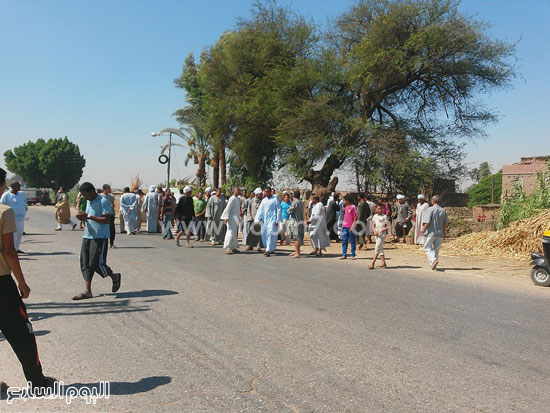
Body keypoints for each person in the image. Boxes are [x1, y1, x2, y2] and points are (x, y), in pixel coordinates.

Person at [0, 168, 57, 394]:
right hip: (2, 283)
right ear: (2, 185)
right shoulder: (4, 212)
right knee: (21, 332)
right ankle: (37, 381)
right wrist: (22, 283)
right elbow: (9, 252)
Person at [72, 182, 121, 300]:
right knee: (85, 263)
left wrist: (89, 217)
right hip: (87, 235)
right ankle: (87, 291)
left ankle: (114, 276)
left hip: (100, 237)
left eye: (85, 195)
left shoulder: (103, 201)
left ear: (91, 192)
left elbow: (107, 220)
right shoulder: (89, 201)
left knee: (95, 263)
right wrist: (82, 217)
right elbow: (88, 216)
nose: (84, 197)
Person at [420, 195, 448, 270]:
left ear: (432, 201)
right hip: (440, 233)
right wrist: (444, 232)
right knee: (436, 249)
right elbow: (445, 223)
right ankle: (433, 264)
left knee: (427, 247)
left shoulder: (430, 209)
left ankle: (433, 260)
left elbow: (427, 222)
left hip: (431, 232)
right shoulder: (443, 210)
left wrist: (422, 230)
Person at [0, 181, 27, 253]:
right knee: (13, 235)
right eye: (17, 186)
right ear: (12, 187)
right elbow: (2, 205)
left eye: (19, 186)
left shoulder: (22, 194)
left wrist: (25, 208)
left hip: (20, 218)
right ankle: (13, 249)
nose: (19, 188)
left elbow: (24, 202)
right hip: (11, 219)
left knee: (19, 234)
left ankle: (17, 248)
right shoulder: (6, 195)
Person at [254, 187, 281, 257]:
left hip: (273, 220)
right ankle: (270, 248)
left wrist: (277, 219)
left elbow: (278, 209)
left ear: (270, 192)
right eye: (265, 192)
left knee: (270, 234)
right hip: (265, 220)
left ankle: (268, 250)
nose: (266, 193)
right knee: (265, 235)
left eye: (267, 191)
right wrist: (257, 219)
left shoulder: (275, 199)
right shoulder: (264, 200)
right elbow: (260, 210)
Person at [221, 187, 242, 254]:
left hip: (235, 219)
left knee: (234, 234)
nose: (238, 191)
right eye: (237, 190)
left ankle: (233, 247)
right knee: (230, 233)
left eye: (238, 190)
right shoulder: (232, 198)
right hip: (231, 219)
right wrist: (226, 217)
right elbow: (228, 208)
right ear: (234, 191)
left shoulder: (237, 199)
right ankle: (228, 248)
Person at [369, 204, 389, 269]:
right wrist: (374, 231)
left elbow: (387, 226)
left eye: (381, 209)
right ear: (376, 209)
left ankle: (373, 262)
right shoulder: (375, 216)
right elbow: (373, 225)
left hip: (382, 234)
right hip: (376, 234)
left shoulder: (384, 217)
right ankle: (384, 263)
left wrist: (381, 230)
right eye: (378, 209)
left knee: (377, 246)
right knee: (380, 248)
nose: (380, 210)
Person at [287, 190, 305, 258]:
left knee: (296, 237)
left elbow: (290, 211)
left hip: (295, 221)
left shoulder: (295, 202)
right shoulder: (301, 202)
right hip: (300, 220)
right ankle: (296, 251)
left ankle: (297, 253)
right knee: (298, 236)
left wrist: (288, 210)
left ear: (294, 195)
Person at [339, 195, 358, 260]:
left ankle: (353, 254)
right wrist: (342, 226)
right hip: (345, 227)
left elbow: (355, 217)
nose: (344, 202)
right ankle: (344, 254)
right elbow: (345, 217)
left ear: (348, 201)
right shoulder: (346, 208)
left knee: (352, 241)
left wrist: (352, 226)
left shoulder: (353, 207)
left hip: (350, 227)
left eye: (344, 200)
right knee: (344, 241)